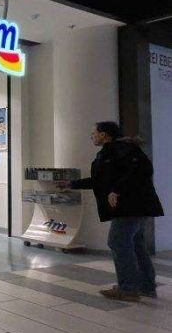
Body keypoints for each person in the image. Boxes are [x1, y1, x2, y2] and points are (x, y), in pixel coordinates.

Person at [60, 121, 164, 301]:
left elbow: (143, 171)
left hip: (131, 206)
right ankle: (146, 286)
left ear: (104, 135)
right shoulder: (111, 152)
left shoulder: (123, 149)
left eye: (94, 133)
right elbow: (100, 180)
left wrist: (117, 190)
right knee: (136, 244)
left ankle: (128, 288)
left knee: (118, 241)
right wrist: (73, 184)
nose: (92, 136)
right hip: (134, 206)